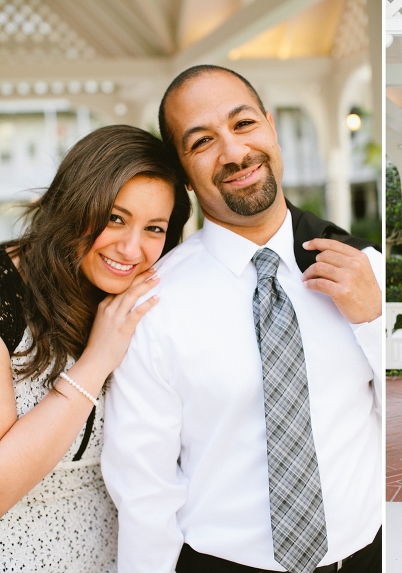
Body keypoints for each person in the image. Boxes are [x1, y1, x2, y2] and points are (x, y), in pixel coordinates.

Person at [101, 65, 382, 573]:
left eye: (244, 124)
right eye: (202, 142)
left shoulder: (365, 270)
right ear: (183, 173)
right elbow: (144, 488)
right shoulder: (153, 304)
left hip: (366, 555)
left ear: (271, 127)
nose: (233, 152)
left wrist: (373, 322)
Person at [0, 125, 190, 571]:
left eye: (154, 228)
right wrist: (97, 361)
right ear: (75, 204)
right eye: (115, 218)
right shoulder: (6, 290)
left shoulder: (149, 302)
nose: (131, 248)